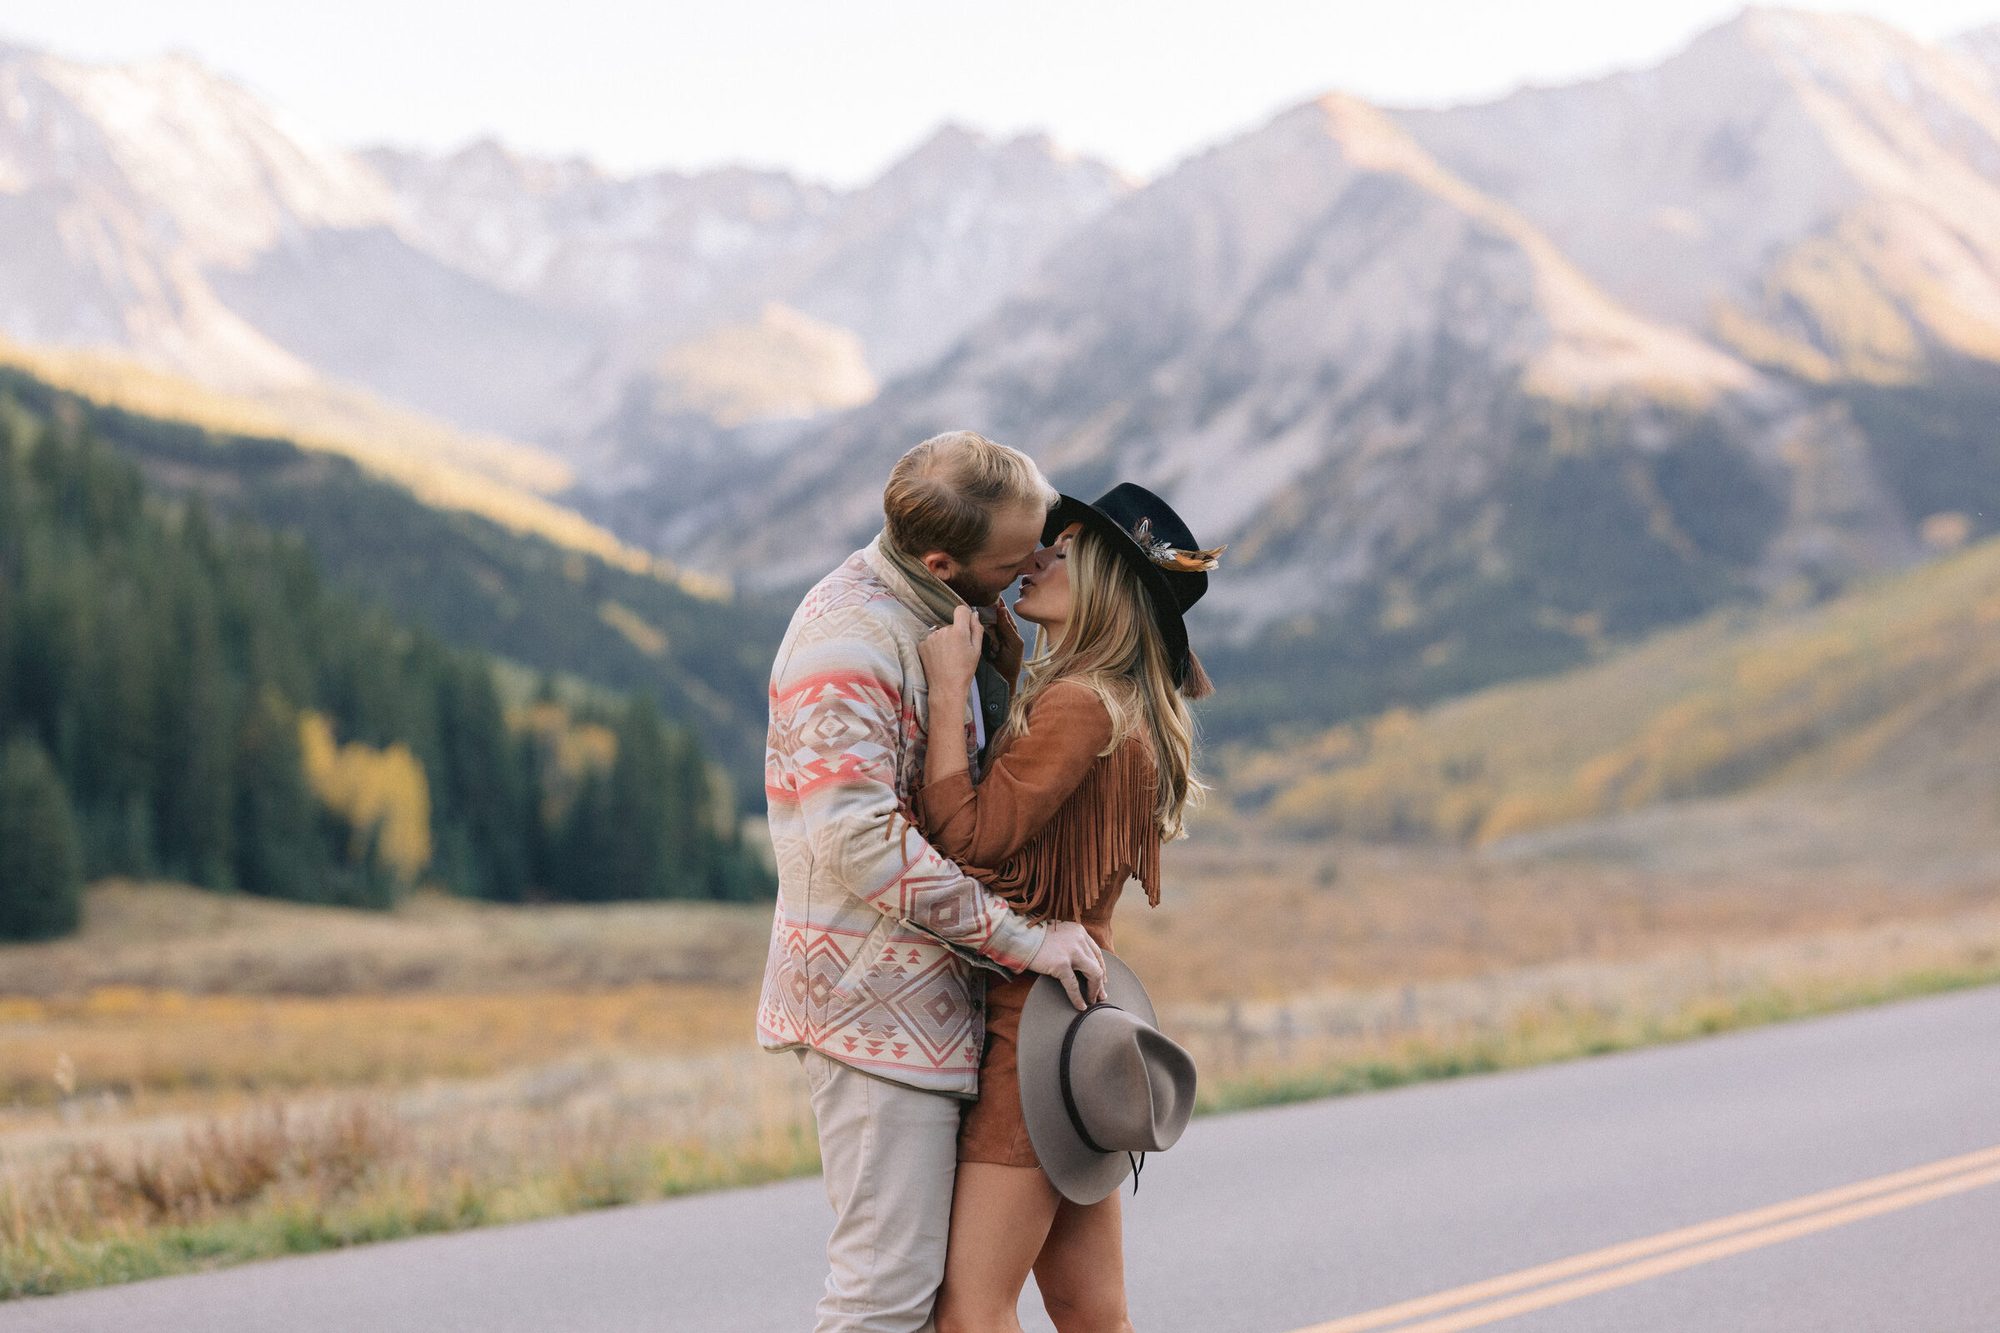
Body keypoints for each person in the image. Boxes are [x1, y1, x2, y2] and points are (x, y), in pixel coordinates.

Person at [757, 431, 1109, 1333]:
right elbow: (860, 844)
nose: (1036, 563)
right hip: (874, 1012)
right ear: (943, 559)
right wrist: (1028, 938)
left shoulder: (951, 612)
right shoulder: (850, 641)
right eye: (1014, 557)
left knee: (930, 1302)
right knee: (882, 1299)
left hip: (944, 1005)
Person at [914, 483, 1220, 1333]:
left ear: (1109, 586)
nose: (1037, 556)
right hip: (1085, 1023)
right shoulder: (1117, 705)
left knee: (971, 1311)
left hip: (1030, 1032)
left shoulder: (1081, 703)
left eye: (1064, 547)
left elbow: (971, 838)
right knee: (1093, 1313)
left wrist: (947, 692)